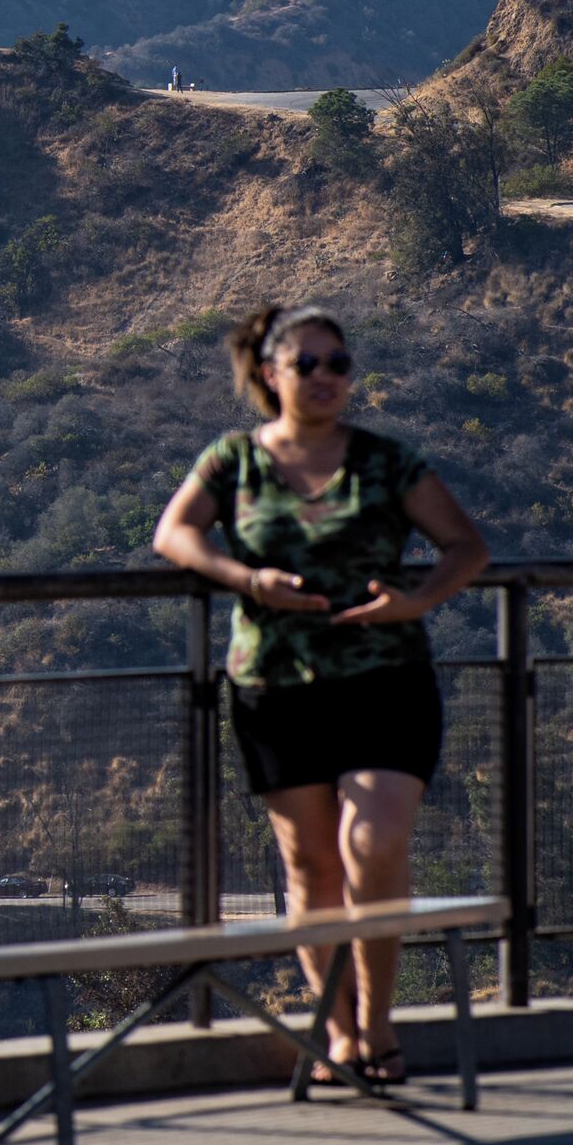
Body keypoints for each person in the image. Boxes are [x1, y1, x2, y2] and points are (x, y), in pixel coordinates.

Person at [153, 305, 490, 1089]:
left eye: (339, 361)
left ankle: (377, 1021)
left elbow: (467, 545)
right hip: (275, 687)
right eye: (309, 363)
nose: (328, 376)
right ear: (270, 374)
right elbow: (174, 534)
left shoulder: (385, 459)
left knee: (374, 846)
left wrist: (418, 601)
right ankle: (337, 1035)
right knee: (307, 867)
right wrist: (247, 579)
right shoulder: (233, 459)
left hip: (385, 681)